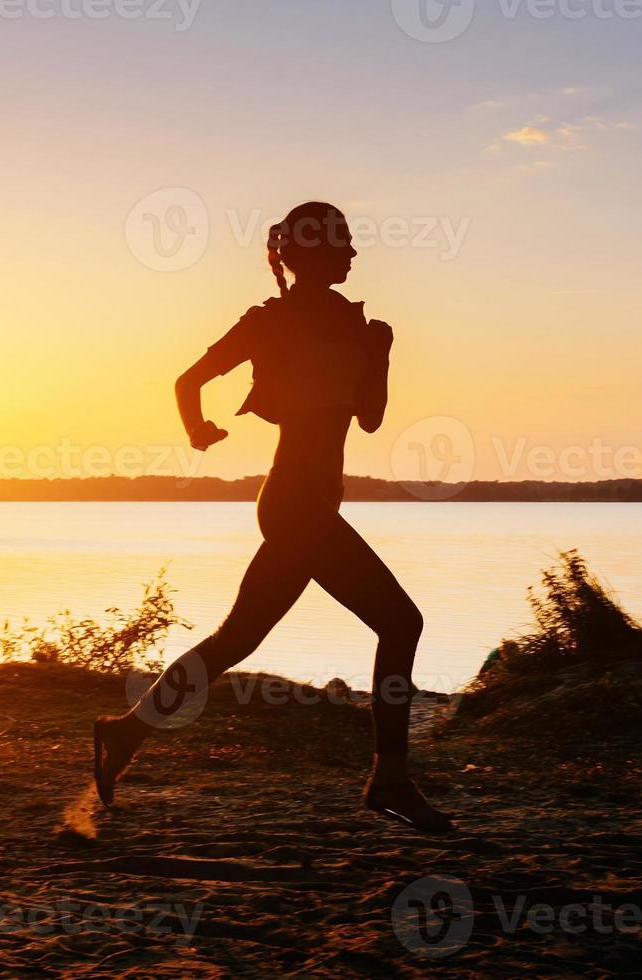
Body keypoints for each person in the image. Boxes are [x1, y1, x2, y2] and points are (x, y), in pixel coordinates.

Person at [93, 201, 453, 833]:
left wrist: (383, 354)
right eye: (341, 245)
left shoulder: (355, 325)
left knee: (237, 638)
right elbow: (188, 381)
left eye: (349, 244)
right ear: (307, 256)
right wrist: (197, 429)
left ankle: (125, 734)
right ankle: (390, 779)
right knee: (401, 622)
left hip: (308, 503)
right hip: (295, 503)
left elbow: (368, 417)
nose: (352, 255)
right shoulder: (269, 322)